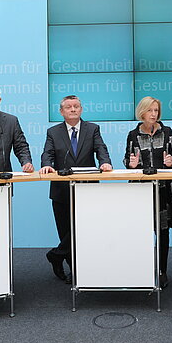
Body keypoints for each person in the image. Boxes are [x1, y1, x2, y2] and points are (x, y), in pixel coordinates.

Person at [40, 95, 113, 283]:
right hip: (61, 190)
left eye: (76, 106)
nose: (73, 109)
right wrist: (47, 165)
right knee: (66, 231)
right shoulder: (53, 132)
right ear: (61, 111)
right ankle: (74, 269)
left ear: (81, 109)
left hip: (86, 189)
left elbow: (101, 149)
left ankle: (56, 256)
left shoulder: (92, 129)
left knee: (83, 229)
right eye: (69, 107)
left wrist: (105, 163)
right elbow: (47, 153)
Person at [123, 97, 172, 288]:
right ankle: (142, 269)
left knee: (163, 231)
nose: (153, 114)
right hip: (141, 190)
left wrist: (171, 161)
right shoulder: (133, 135)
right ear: (142, 113)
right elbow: (128, 159)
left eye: (156, 111)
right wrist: (130, 164)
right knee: (141, 231)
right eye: (150, 111)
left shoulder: (167, 132)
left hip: (164, 188)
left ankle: (162, 270)